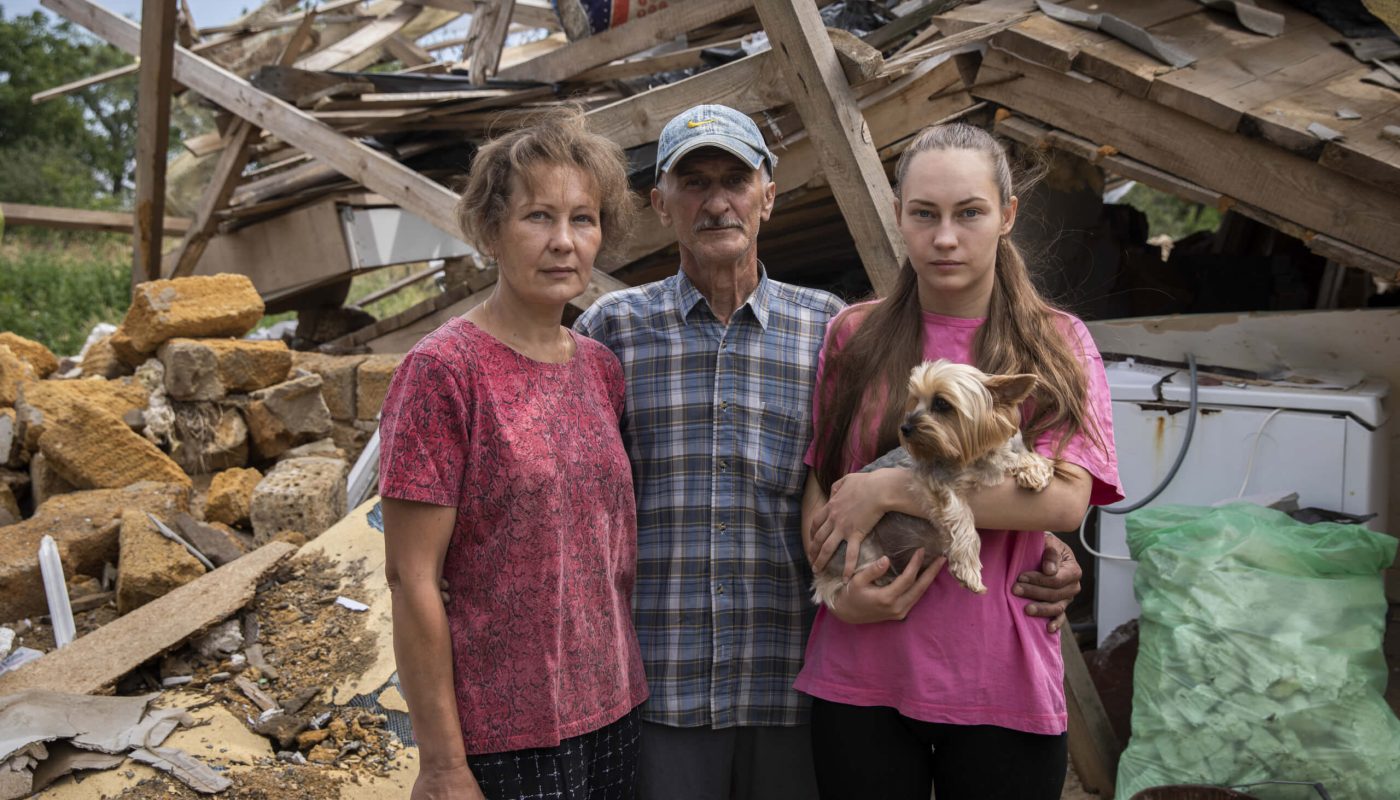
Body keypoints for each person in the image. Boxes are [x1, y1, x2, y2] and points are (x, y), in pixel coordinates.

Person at [573, 105, 1086, 800]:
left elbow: (885, 470)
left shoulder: (828, 328)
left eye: (736, 180)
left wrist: (1037, 542)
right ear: (660, 203)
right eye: (694, 183)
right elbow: (572, 489)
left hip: (791, 679)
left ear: (768, 196)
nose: (718, 202)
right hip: (664, 676)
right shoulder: (611, 331)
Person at [796, 122, 1123, 800]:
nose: (945, 237)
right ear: (899, 216)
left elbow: (1066, 500)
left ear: (1007, 215)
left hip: (998, 674)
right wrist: (840, 595)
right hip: (860, 666)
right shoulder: (855, 334)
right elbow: (824, 485)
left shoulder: (1056, 343)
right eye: (925, 214)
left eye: (969, 213)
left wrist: (895, 488)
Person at [378, 109, 647, 800]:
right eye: (538, 217)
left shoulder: (600, 368)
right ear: (491, 230)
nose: (563, 242)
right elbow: (411, 580)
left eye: (583, 219)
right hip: (503, 737)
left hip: (614, 712)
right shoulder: (443, 372)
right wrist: (443, 764)